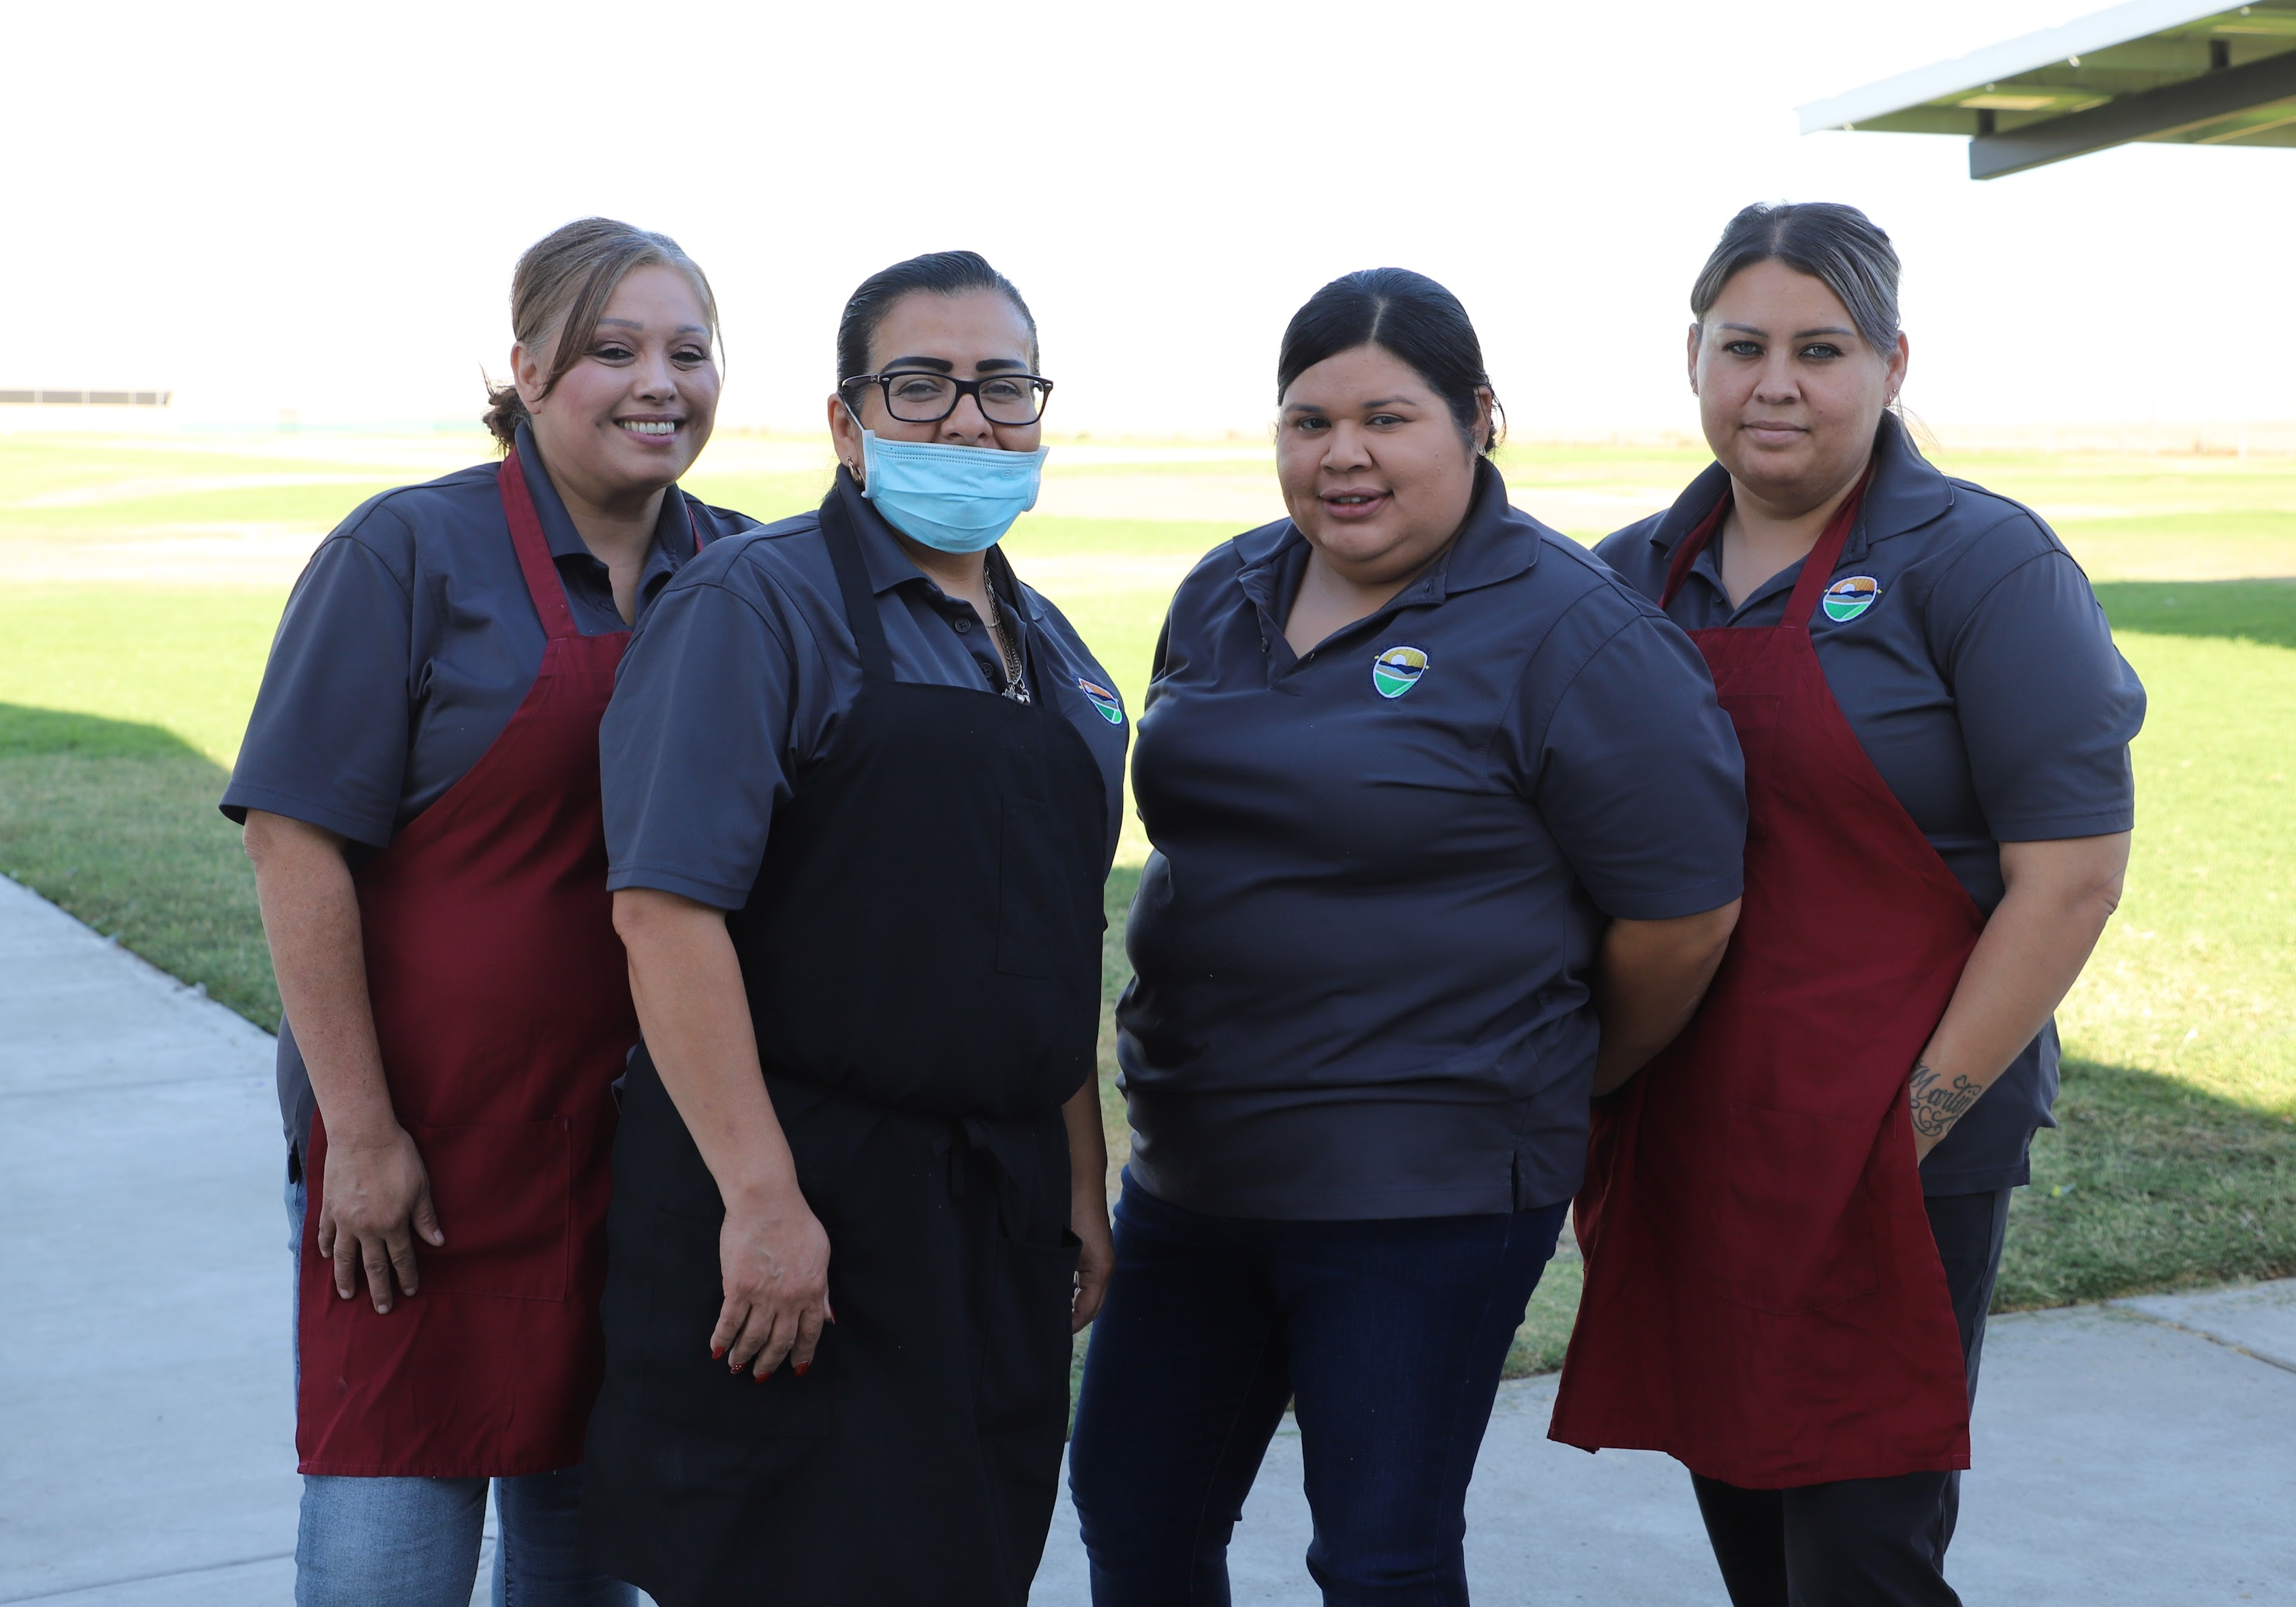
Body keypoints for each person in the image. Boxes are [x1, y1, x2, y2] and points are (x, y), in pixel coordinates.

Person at [1067, 268, 1750, 1605]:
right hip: (1199, 1166)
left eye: (1387, 417)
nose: (1342, 456)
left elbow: (1681, 916)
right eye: (1307, 422)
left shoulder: (1572, 634)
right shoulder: (1225, 592)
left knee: (1376, 1552)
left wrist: (1559, 1067)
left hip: (1420, 1188)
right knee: (1132, 1507)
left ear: (1476, 419)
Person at [1550, 202, 2146, 1607]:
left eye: (1818, 349)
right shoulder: (1627, 575)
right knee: (1745, 1517)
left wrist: (1911, 1121)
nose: (1775, 382)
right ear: (1690, 356)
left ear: (1889, 361)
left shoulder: (1982, 565)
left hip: (1898, 1141)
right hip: (1696, 1126)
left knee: (1862, 1557)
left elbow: (2070, 878)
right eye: (1741, 344)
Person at [581, 250, 1128, 1607]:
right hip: (803, 1195)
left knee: (969, 1560)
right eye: (919, 384)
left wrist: (1077, 1180)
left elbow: (1049, 938)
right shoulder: (753, 609)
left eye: (1002, 387)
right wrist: (764, 1204)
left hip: (992, 1221)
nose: (966, 419)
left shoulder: (1058, 659)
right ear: (845, 423)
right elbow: (664, 912)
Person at [226, 217, 750, 1606]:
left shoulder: (749, 577)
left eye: (688, 352)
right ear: (523, 368)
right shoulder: (408, 553)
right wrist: (363, 1134)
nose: (658, 383)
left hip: (645, 1170)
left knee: (587, 1554)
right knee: (387, 1549)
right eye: (611, 349)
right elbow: (293, 843)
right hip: (424, 1164)